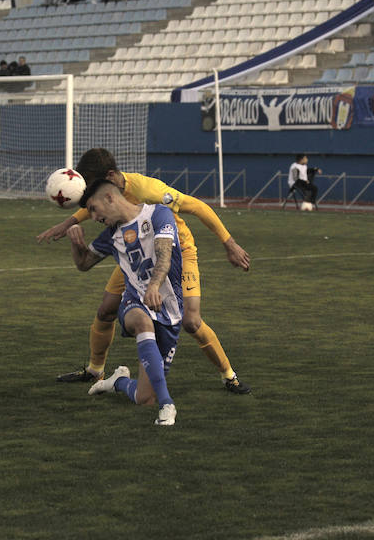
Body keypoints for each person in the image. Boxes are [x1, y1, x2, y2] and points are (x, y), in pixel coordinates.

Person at [39, 148, 252, 394]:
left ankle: (229, 375)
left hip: (176, 251)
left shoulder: (147, 190)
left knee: (191, 321)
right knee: (106, 309)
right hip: (136, 252)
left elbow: (197, 206)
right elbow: (94, 207)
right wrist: (69, 222)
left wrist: (229, 243)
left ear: (109, 177)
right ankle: (95, 370)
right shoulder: (108, 193)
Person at [69, 180, 182, 426]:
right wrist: (77, 245)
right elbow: (83, 264)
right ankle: (167, 405)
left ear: (110, 197)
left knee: (144, 397)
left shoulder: (158, 213)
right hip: (135, 301)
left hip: (168, 310)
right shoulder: (111, 235)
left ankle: (118, 381)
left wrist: (154, 286)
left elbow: (164, 255)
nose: (94, 216)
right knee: (141, 321)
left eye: (94, 208)